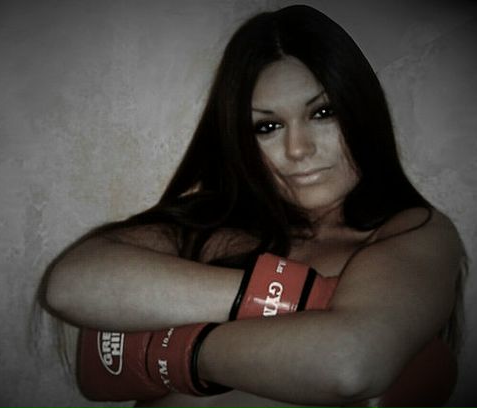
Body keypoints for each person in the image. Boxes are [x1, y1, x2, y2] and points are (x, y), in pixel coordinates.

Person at [37, 5, 466, 408]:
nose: (298, 149)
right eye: (268, 126)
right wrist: (302, 303)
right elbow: (68, 285)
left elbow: (348, 364)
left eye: (322, 112)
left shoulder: (411, 232)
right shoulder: (214, 220)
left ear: (361, 111)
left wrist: (172, 352)